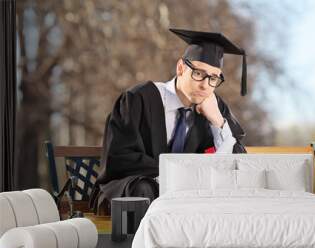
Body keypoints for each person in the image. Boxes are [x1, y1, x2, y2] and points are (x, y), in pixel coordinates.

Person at [89, 28, 247, 214]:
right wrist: (180, 174)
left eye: (213, 78)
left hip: (186, 196)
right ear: (180, 68)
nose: (205, 85)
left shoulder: (214, 107)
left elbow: (239, 164)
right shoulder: (139, 99)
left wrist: (218, 122)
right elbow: (119, 158)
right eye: (198, 73)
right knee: (143, 190)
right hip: (130, 187)